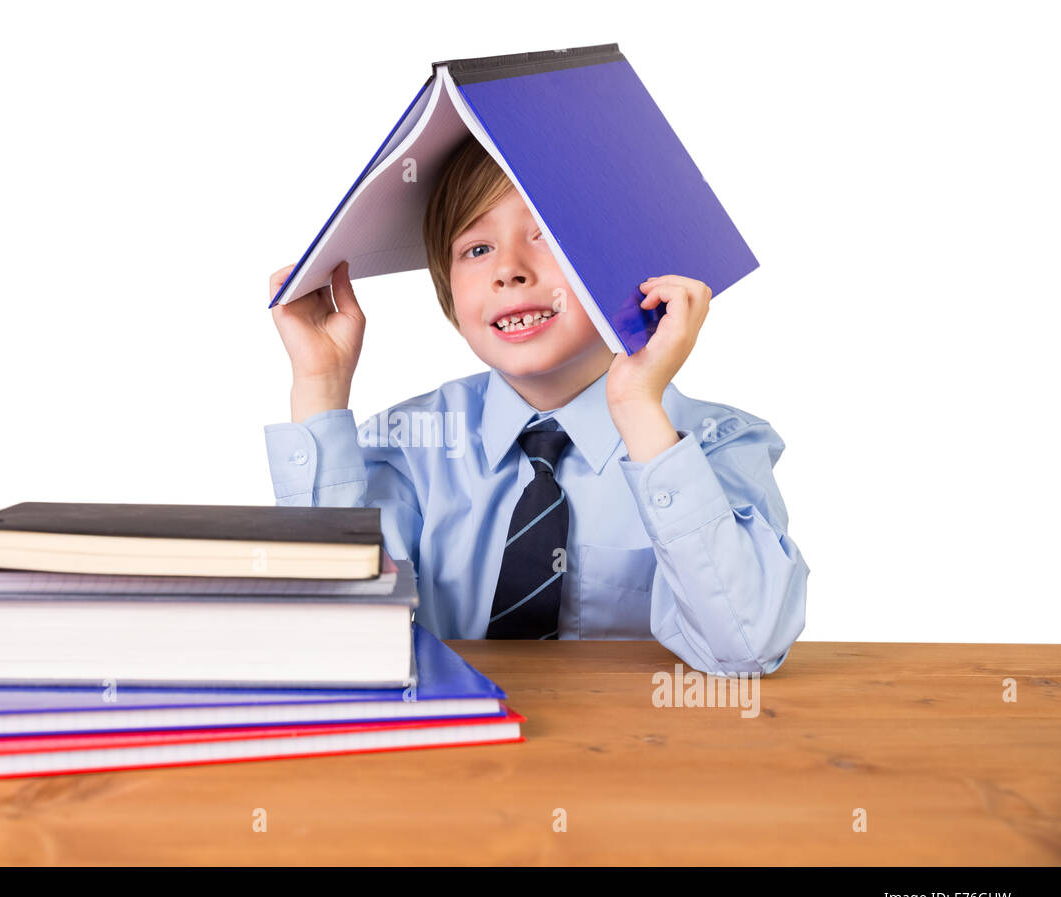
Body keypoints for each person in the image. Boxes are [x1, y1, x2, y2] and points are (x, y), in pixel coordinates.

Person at [264, 137, 808, 675]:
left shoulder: (716, 444)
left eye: (546, 234)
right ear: (449, 293)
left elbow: (745, 651)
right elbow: (336, 642)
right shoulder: (410, 444)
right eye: (477, 249)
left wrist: (640, 409)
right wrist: (320, 383)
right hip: (457, 756)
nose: (509, 270)